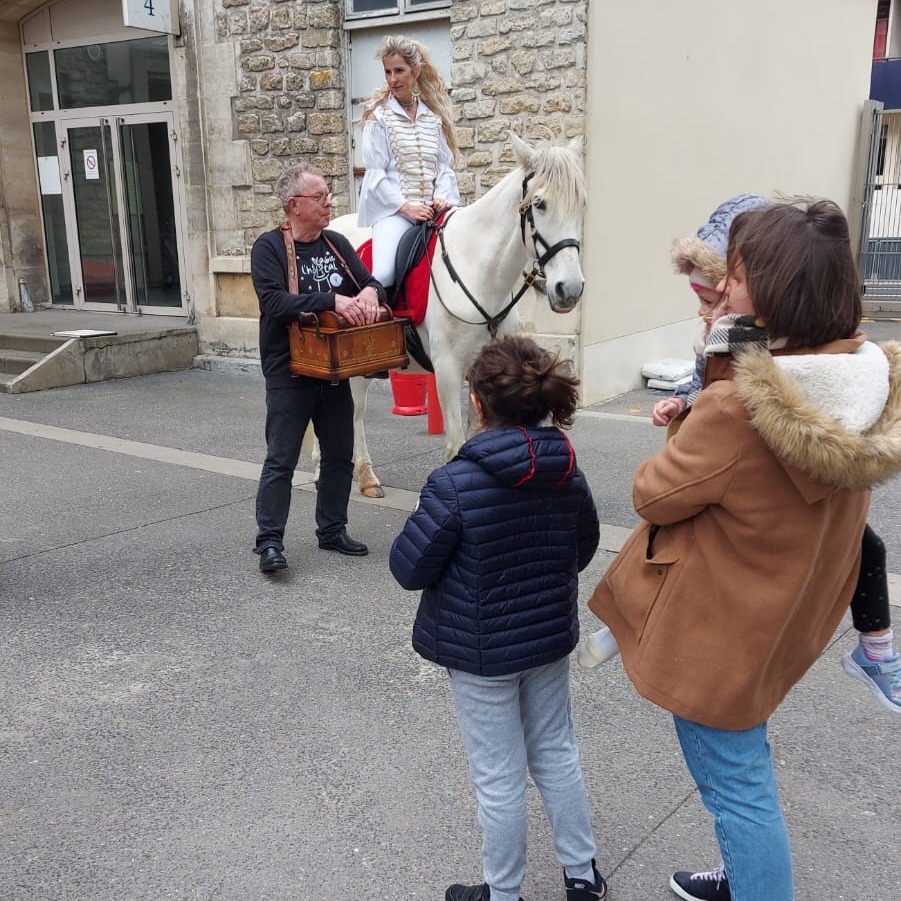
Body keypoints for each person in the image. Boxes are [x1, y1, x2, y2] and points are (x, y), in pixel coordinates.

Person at [587, 199, 901, 901]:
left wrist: (707, 394)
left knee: (738, 791)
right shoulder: (863, 379)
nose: (721, 288)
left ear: (775, 290)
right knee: (745, 767)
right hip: (782, 620)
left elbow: (653, 495)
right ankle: (741, 872)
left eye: (736, 274)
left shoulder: (736, 410)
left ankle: (756, 880)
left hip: (719, 637)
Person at [389, 335, 608, 901]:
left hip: (481, 652)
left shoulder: (454, 483)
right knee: (556, 751)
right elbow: (582, 548)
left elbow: (409, 566)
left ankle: (503, 892)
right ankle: (582, 877)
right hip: (548, 639)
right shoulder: (568, 472)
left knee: (499, 775)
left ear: (479, 405)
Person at [250, 163, 384, 573]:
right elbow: (273, 302)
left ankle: (332, 530)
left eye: (328, 196)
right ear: (294, 205)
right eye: (320, 197)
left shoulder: (338, 245)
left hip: (334, 368)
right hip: (290, 370)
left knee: (340, 454)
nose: (329, 203)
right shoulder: (269, 248)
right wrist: (331, 300)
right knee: (282, 458)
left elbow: (373, 283)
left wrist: (369, 294)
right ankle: (269, 541)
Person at [358, 35, 460, 294]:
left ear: (415, 72)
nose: (393, 79)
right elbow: (375, 174)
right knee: (383, 272)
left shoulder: (432, 118)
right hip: (395, 212)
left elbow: (445, 168)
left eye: (399, 71)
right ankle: (384, 328)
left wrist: (442, 197)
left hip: (434, 210)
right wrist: (407, 208)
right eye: (388, 72)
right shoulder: (377, 117)